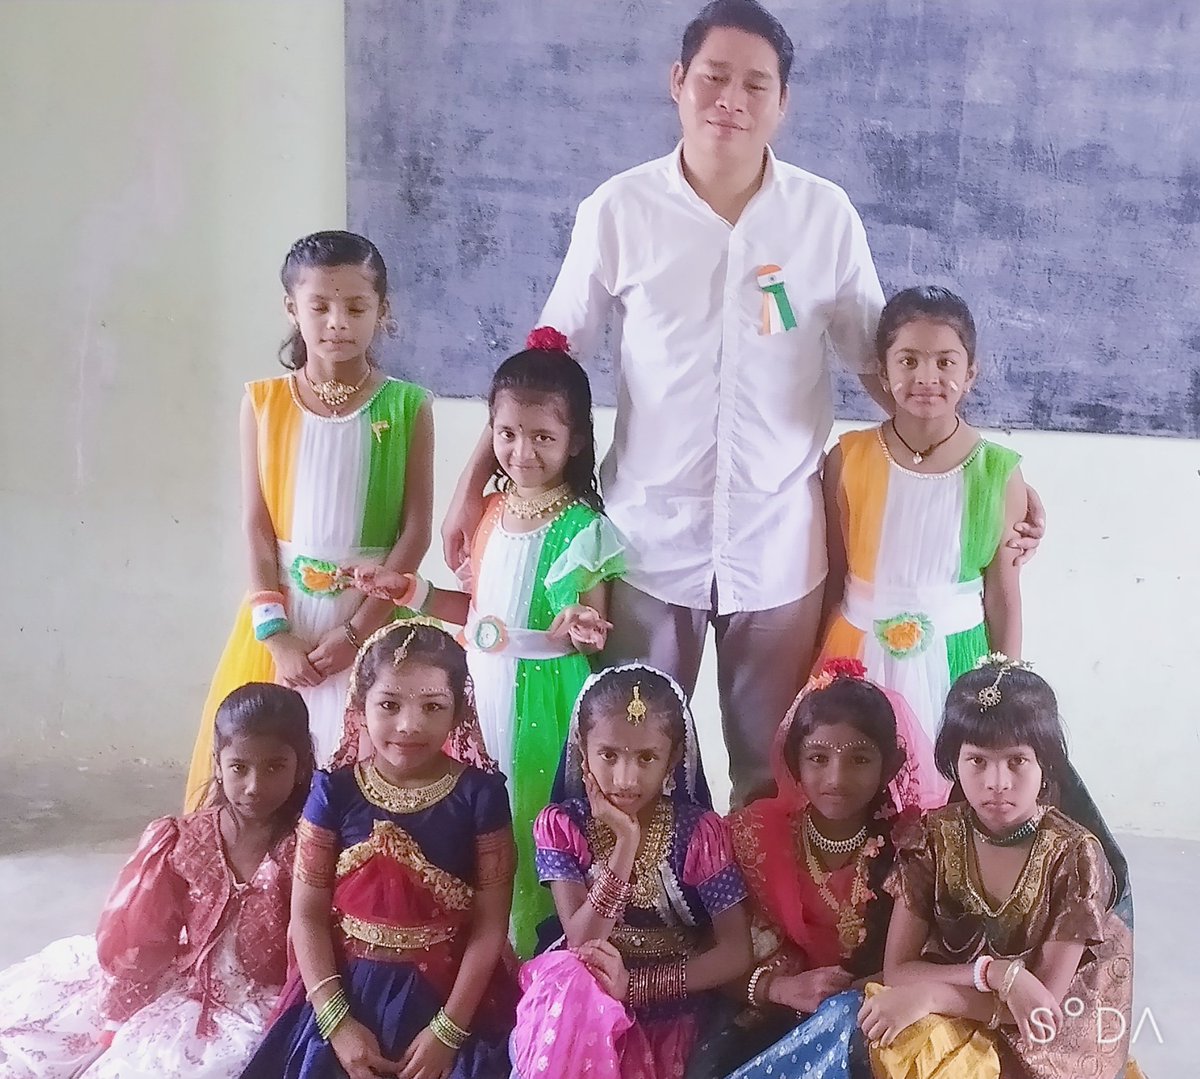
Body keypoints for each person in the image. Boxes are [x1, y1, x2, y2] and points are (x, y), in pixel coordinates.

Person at [440, 0, 1044, 806]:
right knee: (632, 753)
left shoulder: (821, 216)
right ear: (678, 82)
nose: (732, 97)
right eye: (714, 77)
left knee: (777, 763)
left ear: (783, 102)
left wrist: (994, 475)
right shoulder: (619, 209)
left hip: (779, 545)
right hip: (648, 541)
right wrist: (471, 483)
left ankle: (763, 930)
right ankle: (647, 925)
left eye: (756, 84)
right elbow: (546, 362)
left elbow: (885, 370)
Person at [353, 326, 624, 956]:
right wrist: (409, 590)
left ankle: (531, 956)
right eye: (507, 434)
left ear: (576, 441)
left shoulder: (584, 528)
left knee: (530, 814)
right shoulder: (491, 513)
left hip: (546, 696)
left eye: (542, 438)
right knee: (469, 814)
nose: (522, 452)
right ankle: (465, 948)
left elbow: (587, 627)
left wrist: (579, 627)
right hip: (477, 688)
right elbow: (474, 612)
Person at [185, 230, 434, 806]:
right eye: (319, 306)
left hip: (370, 619)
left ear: (383, 311)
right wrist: (277, 637)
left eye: (356, 306)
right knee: (275, 759)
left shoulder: (407, 407)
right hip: (284, 619)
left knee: (365, 766)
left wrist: (356, 633)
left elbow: (415, 530)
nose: (337, 322)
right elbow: (256, 524)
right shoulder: (265, 402)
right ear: (291, 309)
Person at [239, 621, 516, 1079]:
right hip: (346, 996)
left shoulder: (481, 796)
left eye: (433, 706)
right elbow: (305, 916)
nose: (409, 725)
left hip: (452, 999)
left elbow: (490, 926)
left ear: (457, 712)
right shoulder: (333, 792)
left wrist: (448, 1033)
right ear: (359, 706)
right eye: (389, 704)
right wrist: (337, 1024)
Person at [0, 684, 314, 1079]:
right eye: (240, 767)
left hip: (267, 1005)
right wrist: (116, 1021)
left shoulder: (312, 846)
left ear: (300, 765)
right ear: (217, 763)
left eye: (274, 767)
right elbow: (145, 937)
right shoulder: (183, 839)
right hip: (190, 989)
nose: (254, 786)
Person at [691, 658, 935, 1077]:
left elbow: (933, 955)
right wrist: (777, 987)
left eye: (859, 760)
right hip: (769, 1007)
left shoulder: (913, 845)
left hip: (871, 1013)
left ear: (889, 766)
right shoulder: (754, 836)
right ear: (794, 763)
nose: (836, 778)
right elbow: (707, 948)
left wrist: (864, 988)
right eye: (818, 758)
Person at [510, 664, 751, 1079]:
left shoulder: (700, 832)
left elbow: (735, 952)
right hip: (583, 1004)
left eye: (646, 758)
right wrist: (625, 844)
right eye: (608, 755)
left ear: (673, 758)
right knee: (570, 978)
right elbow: (582, 940)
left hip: (675, 1003)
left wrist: (636, 988)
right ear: (581, 748)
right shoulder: (562, 826)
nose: (625, 779)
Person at [816, 286, 1026, 743]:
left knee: (944, 785)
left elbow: (1002, 593)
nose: (927, 376)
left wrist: (1005, 687)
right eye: (908, 360)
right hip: (856, 650)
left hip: (958, 657)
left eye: (945, 362)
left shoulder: (998, 471)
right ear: (883, 372)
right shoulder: (849, 458)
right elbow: (834, 576)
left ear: (971, 373)